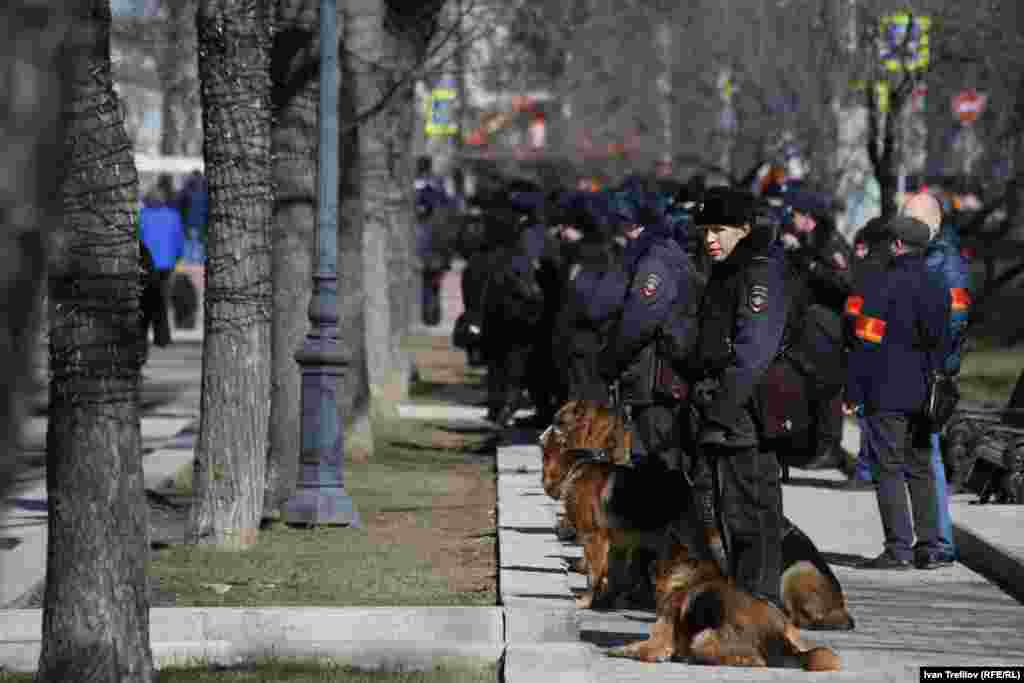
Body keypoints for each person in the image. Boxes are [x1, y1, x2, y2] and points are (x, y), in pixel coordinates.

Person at [690, 187, 789, 608]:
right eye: (705, 230)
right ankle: (746, 605)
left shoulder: (758, 272)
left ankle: (757, 609)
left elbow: (752, 353)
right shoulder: (731, 268)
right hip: (728, 413)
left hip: (744, 417)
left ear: (744, 229)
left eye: (719, 229)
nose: (710, 238)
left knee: (750, 517)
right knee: (734, 517)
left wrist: (720, 415)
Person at [844, 215, 952, 570]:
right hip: (925, 391)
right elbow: (943, 341)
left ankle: (898, 548)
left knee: (888, 467)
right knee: (920, 466)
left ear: (897, 245)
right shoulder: (938, 285)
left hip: (885, 389)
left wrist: (853, 388)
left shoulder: (880, 284)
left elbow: (867, 340)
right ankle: (931, 545)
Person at [600, 193, 701, 475]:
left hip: (658, 379)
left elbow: (638, 322)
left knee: (655, 458)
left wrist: (611, 360)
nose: (622, 236)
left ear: (640, 227)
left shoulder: (656, 263)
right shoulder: (666, 254)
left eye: (625, 228)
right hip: (663, 374)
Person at [905, 192, 970, 564]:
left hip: (932, 374)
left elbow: (955, 321)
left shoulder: (948, 266)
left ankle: (939, 544)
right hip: (911, 369)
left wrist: (929, 357)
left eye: (911, 220)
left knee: (927, 457)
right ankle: (926, 540)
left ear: (932, 224)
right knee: (916, 458)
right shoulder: (920, 257)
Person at [138, 174, 185, 351]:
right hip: (167, 264)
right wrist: (177, 258)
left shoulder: (142, 216)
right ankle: (162, 336)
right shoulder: (173, 216)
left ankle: (142, 333)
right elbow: (179, 240)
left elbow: (137, 239)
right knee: (162, 299)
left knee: (144, 299)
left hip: (147, 263)